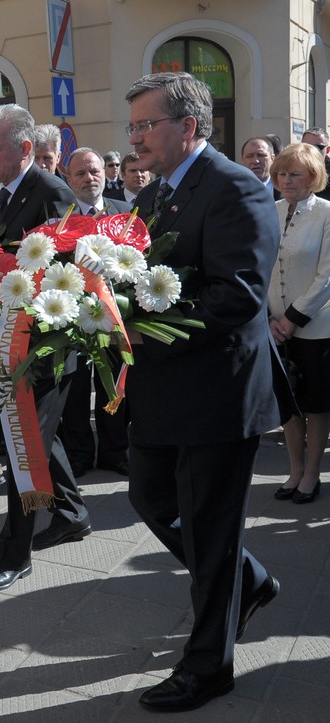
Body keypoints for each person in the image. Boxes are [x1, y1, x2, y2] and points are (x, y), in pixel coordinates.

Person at [125, 72, 283, 712]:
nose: (135, 137)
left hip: (216, 390)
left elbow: (236, 296)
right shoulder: (155, 194)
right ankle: (249, 580)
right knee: (151, 497)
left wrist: (140, 327)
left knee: (211, 531)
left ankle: (208, 667)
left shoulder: (234, 187)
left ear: (187, 126)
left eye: (145, 125)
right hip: (164, 390)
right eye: (133, 125)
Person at [0, 104, 83, 594]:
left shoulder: (53, 193)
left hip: (46, 347)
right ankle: (73, 514)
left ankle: (14, 554)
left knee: (22, 444)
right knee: (37, 436)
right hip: (5, 339)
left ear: (26, 149)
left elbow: (65, 278)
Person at [55, 146, 131, 509]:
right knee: (74, 389)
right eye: (81, 174)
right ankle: (80, 453)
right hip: (73, 318)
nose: (90, 178)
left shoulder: (125, 215)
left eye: (95, 171)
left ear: (106, 174)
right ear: (69, 180)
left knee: (113, 384)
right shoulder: (60, 221)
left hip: (114, 319)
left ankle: (115, 451)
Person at [268, 143, 330, 504]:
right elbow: (257, 265)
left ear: (313, 176)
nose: (286, 180)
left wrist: (291, 320)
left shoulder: (325, 213)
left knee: (316, 405)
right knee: (288, 405)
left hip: (316, 327)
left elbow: (326, 276)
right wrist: (269, 319)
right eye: (281, 173)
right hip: (274, 325)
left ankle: (311, 474)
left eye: (295, 174)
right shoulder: (268, 210)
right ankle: (294, 469)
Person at [301, 127, 330, 201]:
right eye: (307, 146)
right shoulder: (289, 170)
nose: (312, 150)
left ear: (327, 150)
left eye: (318, 147)